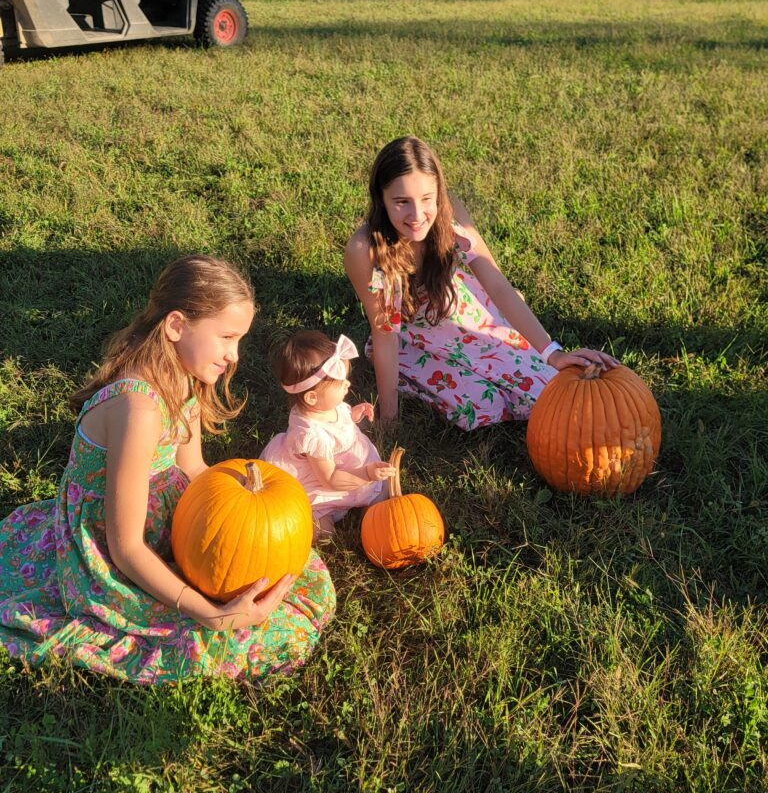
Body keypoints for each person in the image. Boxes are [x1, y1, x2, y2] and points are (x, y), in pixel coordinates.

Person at [0, 255, 335, 684]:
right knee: (226, 638)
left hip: (165, 522)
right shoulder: (138, 409)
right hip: (112, 550)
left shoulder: (185, 377)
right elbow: (126, 548)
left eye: (240, 340)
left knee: (294, 574)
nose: (234, 356)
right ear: (176, 326)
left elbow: (193, 466)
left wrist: (252, 511)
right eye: (227, 337)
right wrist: (209, 613)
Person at [344, 136, 619, 431]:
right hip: (408, 335)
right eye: (401, 202)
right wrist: (390, 420)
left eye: (427, 199)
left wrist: (553, 353)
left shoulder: (450, 214)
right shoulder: (364, 250)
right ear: (381, 199)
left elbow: (496, 283)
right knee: (481, 405)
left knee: (542, 385)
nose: (417, 215)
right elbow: (386, 334)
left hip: (456, 305)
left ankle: (511, 345)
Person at [261, 331, 395, 535]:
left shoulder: (323, 406)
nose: (348, 385)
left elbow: (337, 422)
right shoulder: (312, 436)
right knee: (322, 531)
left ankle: (371, 515)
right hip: (321, 485)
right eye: (341, 384)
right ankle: (322, 520)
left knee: (382, 489)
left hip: (345, 464)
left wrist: (353, 415)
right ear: (312, 398)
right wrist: (366, 474)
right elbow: (330, 478)